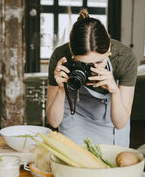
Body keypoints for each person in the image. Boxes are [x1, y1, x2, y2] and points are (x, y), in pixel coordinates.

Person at [46, 9, 138, 147]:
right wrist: (61, 89)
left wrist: (114, 91)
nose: (92, 69)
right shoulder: (60, 56)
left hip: (110, 122)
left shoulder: (125, 58)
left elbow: (120, 123)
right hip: (74, 117)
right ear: (72, 53)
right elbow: (53, 122)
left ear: (109, 50)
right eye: (84, 64)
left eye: (100, 62)